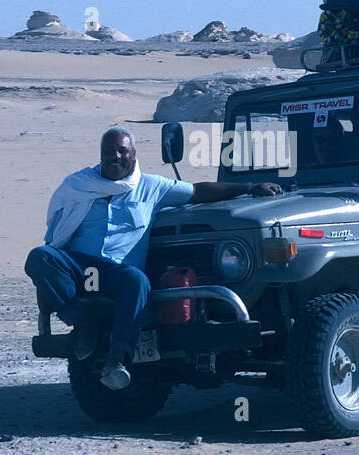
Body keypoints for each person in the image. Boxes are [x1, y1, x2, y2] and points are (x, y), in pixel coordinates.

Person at [26, 126, 282, 390]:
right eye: (108, 151)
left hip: (117, 274)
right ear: (100, 155)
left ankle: (118, 359)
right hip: (79, 266)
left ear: (133, 155)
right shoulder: (78, 186)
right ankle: (83, 321)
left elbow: (197, 191)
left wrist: (249, 186)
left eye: (121, 150)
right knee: (40, 256)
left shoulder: (151, 186)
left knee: (137, 280)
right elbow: (57, 233)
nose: (115, 156)